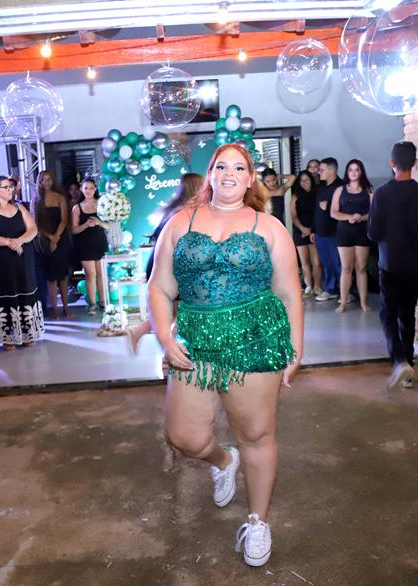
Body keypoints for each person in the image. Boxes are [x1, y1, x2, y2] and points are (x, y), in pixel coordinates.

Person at [148, 144, 302, 567]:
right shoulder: (180, 222)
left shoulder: (269, 226)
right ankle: (223, 460)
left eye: (239, 167)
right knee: (183, 436)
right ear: (211, 173)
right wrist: (164, 337)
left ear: (250, 178)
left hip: (255, 339)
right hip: (194, 341)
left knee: (256, 434)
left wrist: (296, 347)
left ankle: (258, 520)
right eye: (221, 166)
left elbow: (289, 292)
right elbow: (159, 287)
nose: (229, 173)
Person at [368, 141, 418, 390]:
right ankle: (408, 369)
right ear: (415, 164)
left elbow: (373, 233)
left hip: (390, 262)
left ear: (392, 163)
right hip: (416, 263)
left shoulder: (381, 193)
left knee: (387, 314)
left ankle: (400, 361)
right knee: (407, 314)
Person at [126, 172, 203, 353]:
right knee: (180, 308)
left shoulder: (175, 210)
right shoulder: (187, 213)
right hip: (170, 267)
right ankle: (172, 348)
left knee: (174, 309)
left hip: (161, 264)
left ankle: (140, 332)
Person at [0, 175, 44, 349]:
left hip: (23, 256)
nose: (11, 190)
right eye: (6, 187)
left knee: (25, 288)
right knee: (4, 291)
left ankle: (28, 333)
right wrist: (9, 242)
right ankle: (7, 336)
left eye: (11, 187)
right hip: (0, 259)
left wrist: (19, 241)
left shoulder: (19, 207)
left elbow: (33, 229)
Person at [331, 159, 373, 313]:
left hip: (362, 231)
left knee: (361, 268)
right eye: (351, 169)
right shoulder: (340, 190)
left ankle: (363, 302)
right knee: (346, 268)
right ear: (347, 172)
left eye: (357, 169)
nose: (354, 172)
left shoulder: (369, 189)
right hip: (344, 232)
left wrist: (361, 218)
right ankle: (343, 303)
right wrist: (349, 217)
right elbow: (333, 212)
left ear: (361, 171)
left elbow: (374, 213)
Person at [33, 170, 73, 319]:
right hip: (44, 240)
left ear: (53, 181)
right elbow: (36, 224)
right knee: (51, 277)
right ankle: (54, 309)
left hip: (61, 238)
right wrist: (50, 238)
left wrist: (56, 238)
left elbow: (64, 220)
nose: (47, 182)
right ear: (39, 182)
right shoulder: (36, 200)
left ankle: (66, 308)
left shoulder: (60, 197)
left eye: (49, 179)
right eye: (43, 180)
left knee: (63, 275)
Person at [71, 179, 109, 315]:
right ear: (81, 189)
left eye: (91, 188)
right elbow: (73, 229)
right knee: (90, 275)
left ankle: (104, 302)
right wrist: (86, 225)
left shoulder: (102, 204)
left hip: (100, 243)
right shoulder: (77, 208)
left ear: (95, 189)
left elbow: (108, 225)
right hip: (85, 245)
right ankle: (93, 304)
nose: (88, 191)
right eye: (86, 188)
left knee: (101, 274)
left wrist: (98, 222)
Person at [312, 157, 343, 302]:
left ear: (331, 170)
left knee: (339, 263)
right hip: (321, 232)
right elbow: (316, 210)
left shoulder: (341, 187)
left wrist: (329, 206)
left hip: (335, 232)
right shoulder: (321, 187)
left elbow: (346, 207)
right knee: (327, 263)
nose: (319, 172)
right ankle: (330, 289)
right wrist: (313, 230)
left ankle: (345, 292)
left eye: (322, 170)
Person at [289, 170, 322, 297]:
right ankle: (308, 286)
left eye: (307, 179)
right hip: (300, 230)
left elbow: (319, 213)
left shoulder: (317, 194)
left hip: (314, 230)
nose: (305, 182)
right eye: (302, 180)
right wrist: (302, 228)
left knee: (316, 261)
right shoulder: (295, 196)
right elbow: (293, 215)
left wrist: (312, 230)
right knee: (304, 261)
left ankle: (317, 286)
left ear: (311, 180)